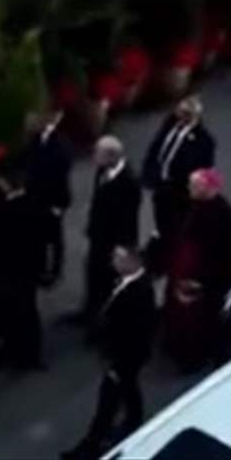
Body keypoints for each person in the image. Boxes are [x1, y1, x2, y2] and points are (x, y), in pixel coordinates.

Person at [63, 245, 157, 460]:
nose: (113, 260)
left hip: (123, 359)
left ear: (133, 262)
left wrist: (117, 365)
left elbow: (135, 335)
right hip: (123, 357)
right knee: (129, 387)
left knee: (107, 404)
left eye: (118, 257)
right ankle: (134, 418)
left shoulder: (139, 293)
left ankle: (90, 447)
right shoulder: (126, 282)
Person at [161, 169, 231, 373]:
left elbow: (222, 252)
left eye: (194, 185)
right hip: (186, 270)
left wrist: (201, 279)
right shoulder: (196, 206)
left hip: (206, 278)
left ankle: (195, 357)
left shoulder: (223, 215)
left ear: (208, 188)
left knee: (199, 320)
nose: (189, 188)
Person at [0, 166, 54, 372]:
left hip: (11, 268)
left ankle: (18, 353)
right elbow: (42, 240)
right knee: (27, 311)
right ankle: (30, 354)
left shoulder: (3, 210)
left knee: (15, 311)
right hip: (29, 268)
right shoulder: (33, 204)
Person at [143, 97, 216, 249]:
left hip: (179, 191)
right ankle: (163, 244)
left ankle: (174, 250)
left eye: (186, 113)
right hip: (161, 185)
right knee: (161, 219)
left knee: (177, 226)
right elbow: (156, 148)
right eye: (180, 111)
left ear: (195, 116)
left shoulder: (204, 141)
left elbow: (202, 170)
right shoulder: (169, 125)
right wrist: (149, 175)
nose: (181, 116)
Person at [82, 136, 141, 325]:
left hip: (114, 241)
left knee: (108, 280)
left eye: (97, 153)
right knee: (93, 273)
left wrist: (122, 246)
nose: (93, 157)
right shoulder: (102, 170)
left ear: (111, 156)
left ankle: (105, 321)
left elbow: (128, 219)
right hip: (98, 235)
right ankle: (89, 311)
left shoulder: (129, 182)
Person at [21, 109, 73, 287]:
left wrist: (58, 204)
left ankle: (55, 271)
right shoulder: (35, 140)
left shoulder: (60, 143)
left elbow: (61, 175)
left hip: (53, 198)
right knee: (39, 236)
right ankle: (40, 269)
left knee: (55, 238)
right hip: (37, 197)